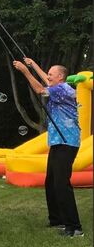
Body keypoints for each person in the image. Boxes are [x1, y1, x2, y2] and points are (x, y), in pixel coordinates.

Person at [13, 58, 83, 237]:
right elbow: (45, 80)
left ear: (60, 77)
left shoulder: (62, 89)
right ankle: (57, 220)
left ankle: (74, 227)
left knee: (61, 183)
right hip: (58, 141)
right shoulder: (58, 86)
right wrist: (33, 64)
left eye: (52, 74)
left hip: (66, 141)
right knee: (51, 181)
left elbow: (39, 89)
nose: (49, 76)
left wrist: (25, 71)